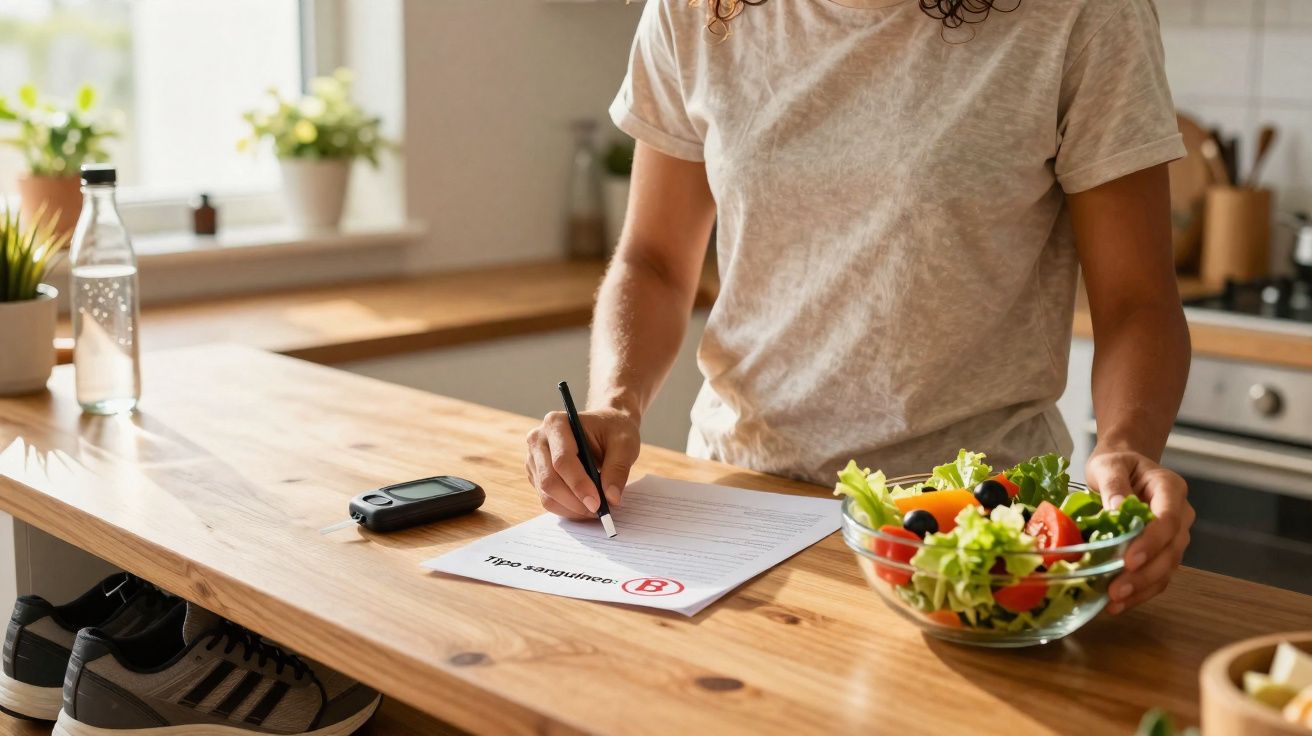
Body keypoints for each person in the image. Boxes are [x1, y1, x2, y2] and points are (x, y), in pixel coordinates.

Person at [524, 0, 1195, 615]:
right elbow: (657, 261)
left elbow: (1137, 299)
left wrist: (1127, 444)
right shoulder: (698, 11)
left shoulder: (1083, 14)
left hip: (972, 536)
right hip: (738, 504)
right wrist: (616, 401)